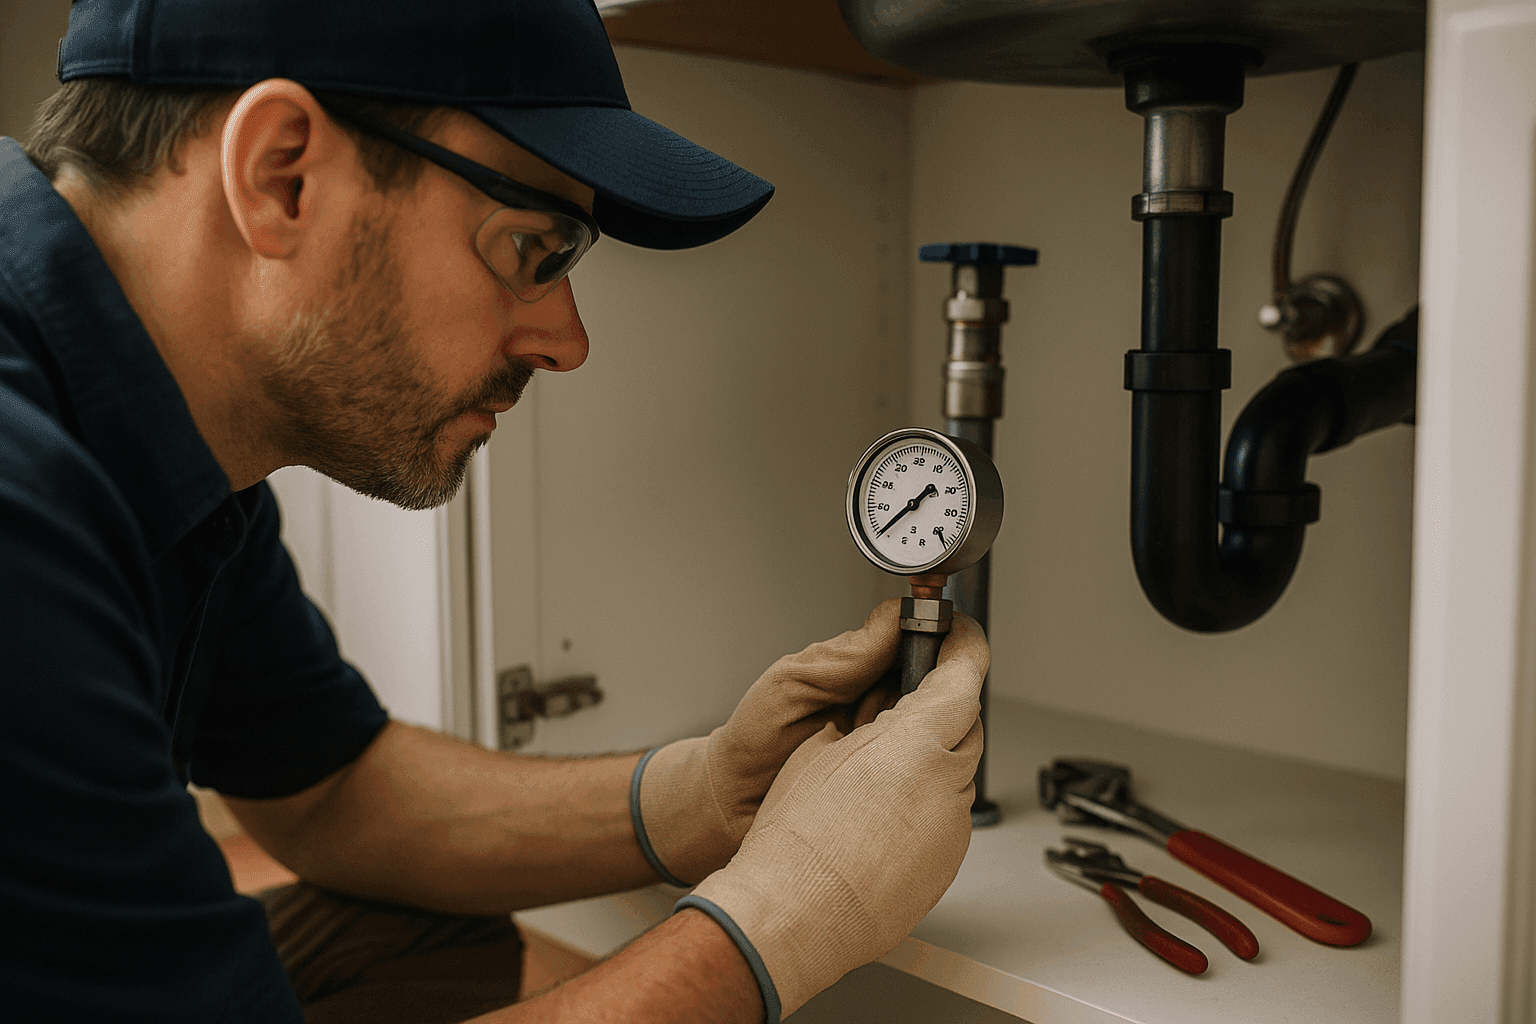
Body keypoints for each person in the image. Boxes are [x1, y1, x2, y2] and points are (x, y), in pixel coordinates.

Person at [0, 1, 990, 1021]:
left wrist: (711, 792)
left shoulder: (173, 434)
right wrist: (787, 915)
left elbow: (327, 788)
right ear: (280, 174)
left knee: (415, 935)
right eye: (534, 248)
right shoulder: (17, 507)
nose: (568, 341)